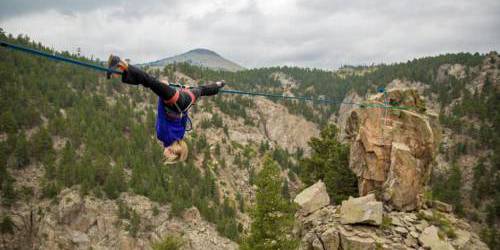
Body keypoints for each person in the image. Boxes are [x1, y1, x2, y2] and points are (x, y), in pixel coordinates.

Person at [107, 55, 225, 164]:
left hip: (185, 101)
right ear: (170, 152)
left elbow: (184, 115)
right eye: (169, 157)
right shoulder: (162, 136)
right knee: (149, 81)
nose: (166, 156)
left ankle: (219, 85)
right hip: (172, 102)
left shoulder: (180, 136)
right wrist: (162, 91)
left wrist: (184, 92)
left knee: (201, 90)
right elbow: (161, 115)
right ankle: (118, 62)